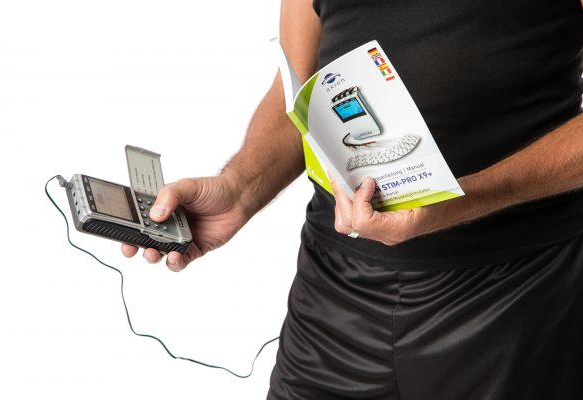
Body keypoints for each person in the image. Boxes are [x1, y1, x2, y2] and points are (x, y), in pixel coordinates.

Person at [123, 0, 583, 398]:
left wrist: (463, 200)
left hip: (511, 292)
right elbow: (297, 94)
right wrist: (239, 189)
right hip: (332, 289)